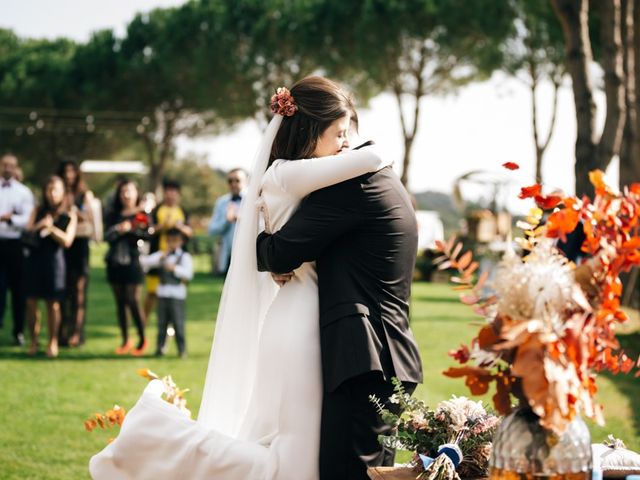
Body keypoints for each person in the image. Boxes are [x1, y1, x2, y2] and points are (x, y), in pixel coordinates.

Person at [90, 77, 421, 480]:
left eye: (349, 132)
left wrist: (276, 251)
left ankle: (157, 437)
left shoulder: (342, 180)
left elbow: (282, 249)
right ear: (308, 130)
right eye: (338, 133)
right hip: (319, 331)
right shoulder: (299, 175)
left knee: (302, 456)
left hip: (343, 342)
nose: (347, 143)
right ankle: (157, 438)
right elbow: (276, 250)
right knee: (303, 457)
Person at [23, 175, 77, 357]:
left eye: (56, 190)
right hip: (34, 261)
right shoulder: (37, 210)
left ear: (62, 193)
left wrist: (51, 228)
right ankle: (34, 340)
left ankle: (52, 341)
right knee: (31, 302)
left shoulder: (68, 214)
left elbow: (67, 241)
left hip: (54, 262)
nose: (52, 193)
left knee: (52, 304)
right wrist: (40, 225)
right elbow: (28, 231)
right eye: (49, 189)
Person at [104, 179, 150, 356]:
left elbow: (148, 234)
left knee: (132, 300)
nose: (126, 195)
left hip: (134, 261)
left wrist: (130, 230)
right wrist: (118, 229)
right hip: (115, 262)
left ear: (136, 193)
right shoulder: (114, 214)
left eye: (129, 191)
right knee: (120, 302)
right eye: (123, 191)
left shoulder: (141, 213)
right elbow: (106, 236)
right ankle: (125, 340)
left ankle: (142, 338)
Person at [57, 160, 96, 347]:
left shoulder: (84, 195)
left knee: (79, 291)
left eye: (72, 171)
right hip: (63, 245)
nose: (69, 175)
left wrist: (77, 214)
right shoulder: (58, 192)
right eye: (66, 171)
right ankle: (62, 331)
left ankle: (77, 333)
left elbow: (90, 219)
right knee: (63, 291)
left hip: (80, 245)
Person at [143, 179, 192, 324]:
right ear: (164, 193)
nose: (170, 195)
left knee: (175, 293)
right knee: (152, 292)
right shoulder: (157, 210)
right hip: (159, 256)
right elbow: (149, 230)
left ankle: (171, 325)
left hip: (176, 259)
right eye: (168, 192)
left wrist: (179, 226)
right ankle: (143, 323)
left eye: (173, 192)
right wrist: (162, 226)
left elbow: (190, 232)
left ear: (178, 194)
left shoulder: (182, 211)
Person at [140, 227, 193, 358]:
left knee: (178, 323)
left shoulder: (185, 257)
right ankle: (160, 348)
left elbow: (189, 274)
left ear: (180, 242)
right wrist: (158, 258)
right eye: (169, 241)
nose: (172, 244)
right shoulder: (162, 255)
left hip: (177, 294)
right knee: (161, 323)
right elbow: (144, 262)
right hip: (163, 293)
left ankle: (182, 350)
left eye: (174, 241)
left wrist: (175, 268)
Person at [0, 153, 34, 346]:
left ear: (15, 168)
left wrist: (10, 219)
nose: (7, 168)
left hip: (15, 244)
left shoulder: (23, 192)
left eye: (11, 165)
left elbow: (27, 220)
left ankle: (18, 331)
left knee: (18, 290)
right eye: (4, 165)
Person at [208, 168, 247, 275]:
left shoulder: (253, 199)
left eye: (237, 180)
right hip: (227, 256)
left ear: (246, 181)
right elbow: (211, 230)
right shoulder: (221, 202)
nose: (233, 184)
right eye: (230, 181)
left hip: (249, 254)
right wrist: (226, 220)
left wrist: (241, 219)